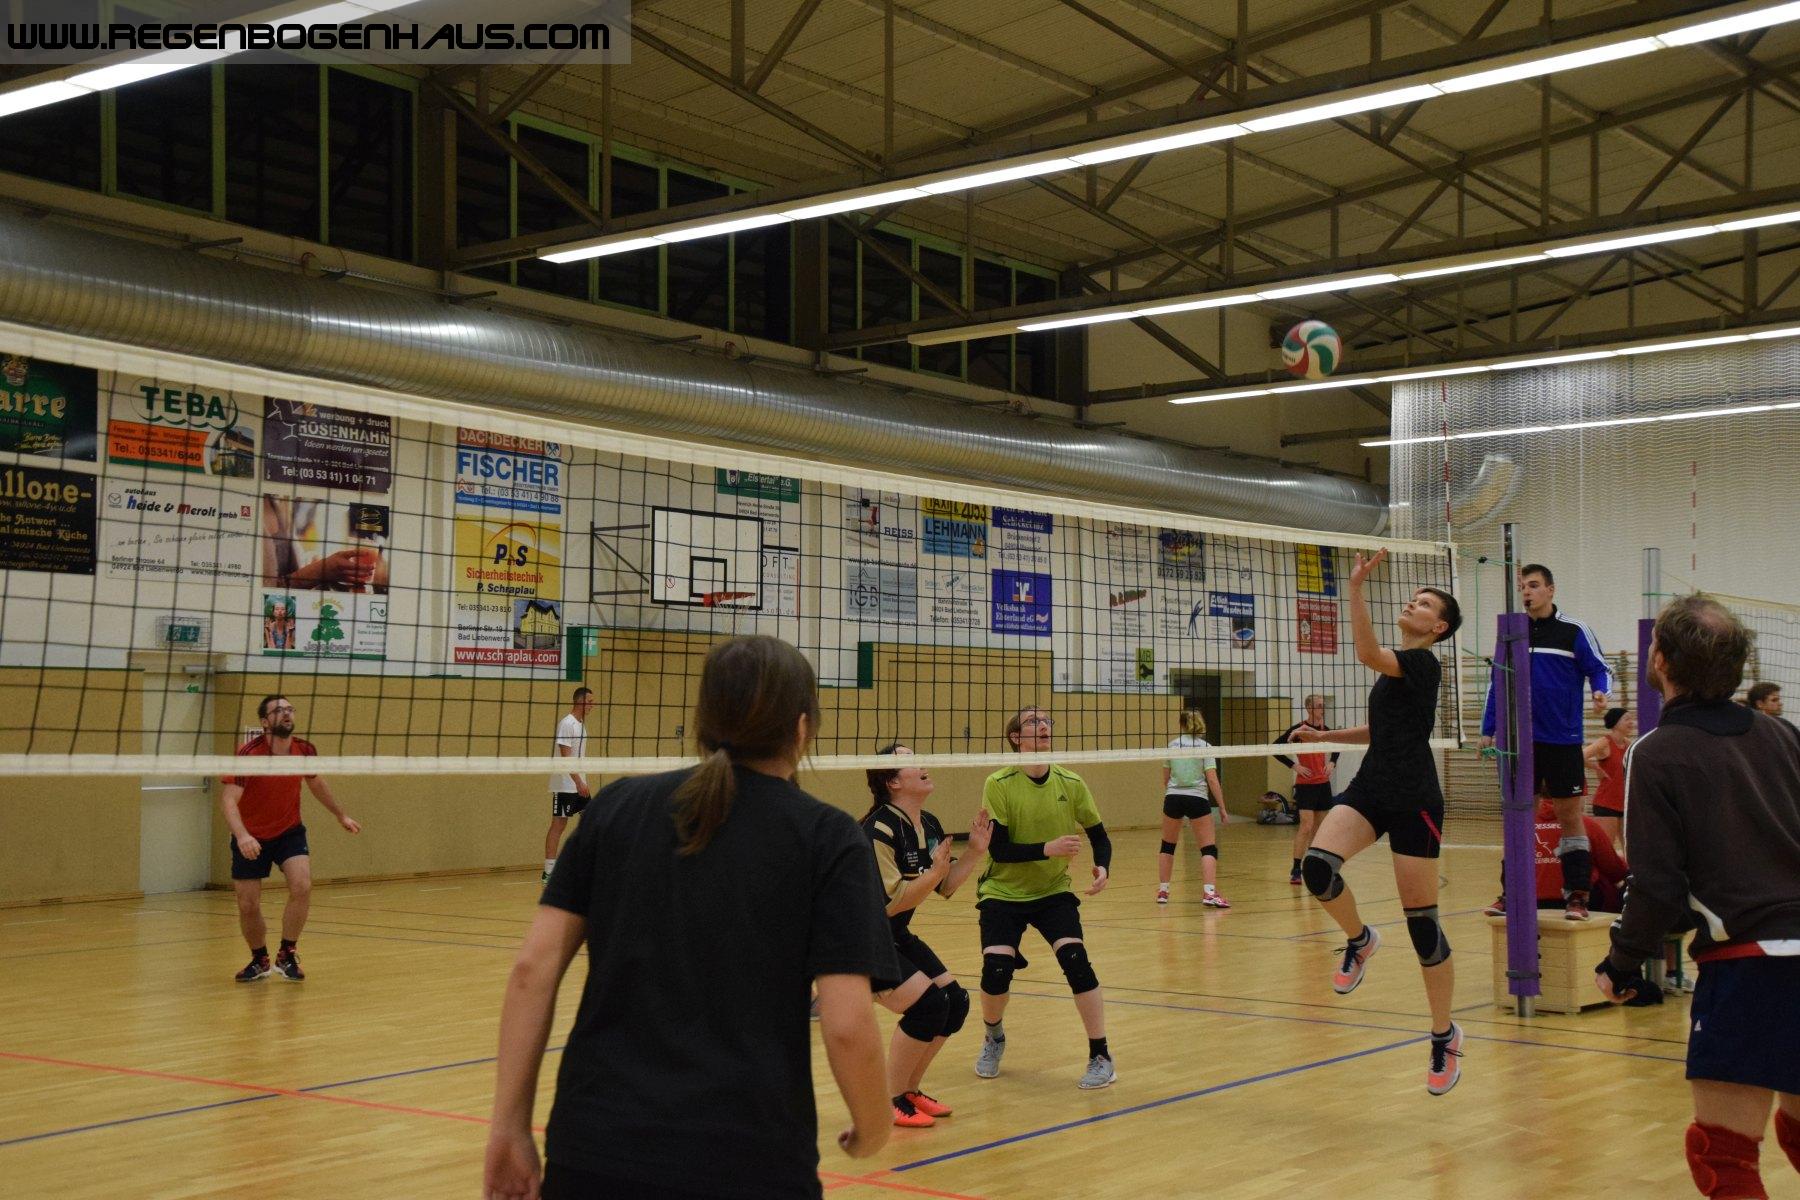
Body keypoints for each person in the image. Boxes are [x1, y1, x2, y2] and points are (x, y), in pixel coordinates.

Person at [484, 635, 897, 1200]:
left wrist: (508, 1126)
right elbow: (847, 1024)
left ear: (704, 720)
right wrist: (874, 1128)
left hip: (596, 1148)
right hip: (749, 1159)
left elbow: (532, 970)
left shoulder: (615, 809)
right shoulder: (828, 838)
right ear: (803, 728)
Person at [1593, 595, 1800, 1200]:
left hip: (1749, 968)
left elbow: (1657, 886)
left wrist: (1621, 964)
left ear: (1660, 660)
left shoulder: (1657, 751)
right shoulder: (1785, 736)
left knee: (1723, 1158)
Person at [1295, 550, 1464, 1095]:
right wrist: (1326, 737)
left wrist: (1354, 588)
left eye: (1424, 604)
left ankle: (1444, 1035)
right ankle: (1360, 938)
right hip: (1372, 788)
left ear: (1437, 627)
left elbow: (1367, 652)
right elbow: (1380, 730)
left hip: (1415, 799)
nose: (1412, 605)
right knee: (1317, 868)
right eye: (1413, 598)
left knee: (1422, 926)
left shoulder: (1424, 663)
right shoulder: (1398, 673)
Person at [973, 705, 1117, 1090]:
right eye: (1032, 722)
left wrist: (1103, 867)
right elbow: (1000, 850)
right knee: (996, 971)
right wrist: (1048, 849)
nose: (1042, 726)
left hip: (1052, 890)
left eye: (1046, 721)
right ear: (1016, 738)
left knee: (1076, 962)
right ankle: (993, 1036)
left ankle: (1101, 1055)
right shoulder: (998, 783)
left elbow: (1099, 836)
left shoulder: (1071, 782)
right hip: (1002, 891)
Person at [861, 745, 992, 1128]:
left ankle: (909, 1091)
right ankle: (888, 1100)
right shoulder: (878, 830)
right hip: (861, 939)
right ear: (893, 781)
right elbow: (891, 902)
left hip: (895, 934)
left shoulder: (929, 825)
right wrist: (933, 873)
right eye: (909, 760)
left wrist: (974, 853)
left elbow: (944, 886)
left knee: (955, 1002)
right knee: (928, 1006)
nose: (922, 764)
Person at [1480, 563, 1613, 921]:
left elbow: (1600, 669)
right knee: (1519, 819)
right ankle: (1512, 893)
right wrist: (1488, 728)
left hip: (1563, 741)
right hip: (1520, 743)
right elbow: (1497, 684)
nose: (1527, 591)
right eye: (1523, 586)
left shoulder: (1573, 630)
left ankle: (1578, 896)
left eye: (1534, 585)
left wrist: (1601, 692)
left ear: (1551, 590)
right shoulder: (1512, 634)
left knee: (1570, 818)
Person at [220, 696, 361, 983]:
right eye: (278, 710)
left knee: (302, 886)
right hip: (251, 836)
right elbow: (228, 801)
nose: (286, 714)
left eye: (289, 709)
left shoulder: (304, 749)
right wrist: (243, 836)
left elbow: (316, 783)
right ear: (264, 722)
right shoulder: (248, 755)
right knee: (248, 904)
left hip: (289, 831)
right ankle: (259, 959)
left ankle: (286, 954)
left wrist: (341, 815)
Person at [1157, 709, 1230, 908]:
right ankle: (1209, 893)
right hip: (1197, 798)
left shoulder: (1172, 745)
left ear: (1181, 724)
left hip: (1173, 797)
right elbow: (1212, 780)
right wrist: (1222, 808)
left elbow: (1166, 779)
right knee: (1208, 848)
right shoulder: (1205, 747)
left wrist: (1175, 794)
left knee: (1167, 845)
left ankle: (1163, 891)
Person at [1276, 693, 1339, 886]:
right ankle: (1296, 869)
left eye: (1323, 705)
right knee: (1306, 826)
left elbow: (1338, 745)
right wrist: (1294, 766)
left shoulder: (1325, 731)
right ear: (1309, 708)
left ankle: (1313, 868)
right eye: (1319, 706)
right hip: (1306, 785)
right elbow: (1276, 747)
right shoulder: (1299, 731)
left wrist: (1332, 763)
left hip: (1323, 784)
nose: (1322, 709)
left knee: (1319, 830)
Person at [1532, 798, 1628, 913]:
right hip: (1576, 900)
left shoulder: (1526, 824)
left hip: (1530, 900)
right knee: (1608, 880)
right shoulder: (1586, 824)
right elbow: (1614, 869)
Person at [544, 687, 598, 882]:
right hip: (565, 784)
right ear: (580, 701)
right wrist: (578, 782)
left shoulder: (581, 725)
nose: (592, 705)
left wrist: (582, 781)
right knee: (559, 825)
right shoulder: (567, 724)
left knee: (591, 821)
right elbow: (566, 758)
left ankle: (585, 866)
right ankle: (549, 872)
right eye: (590, 702)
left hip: (579, 783)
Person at [1584, 707, 1637, 849]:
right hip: (1606, 804)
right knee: (1607, 848)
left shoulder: (1629, 744)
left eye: (1631, 719)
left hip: (1625, 803)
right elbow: (1580, 756)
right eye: (1627, 719)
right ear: (1615, 722)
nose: (1631, 722)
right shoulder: (1604, 742)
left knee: (1630, 848)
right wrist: (1596, 767)